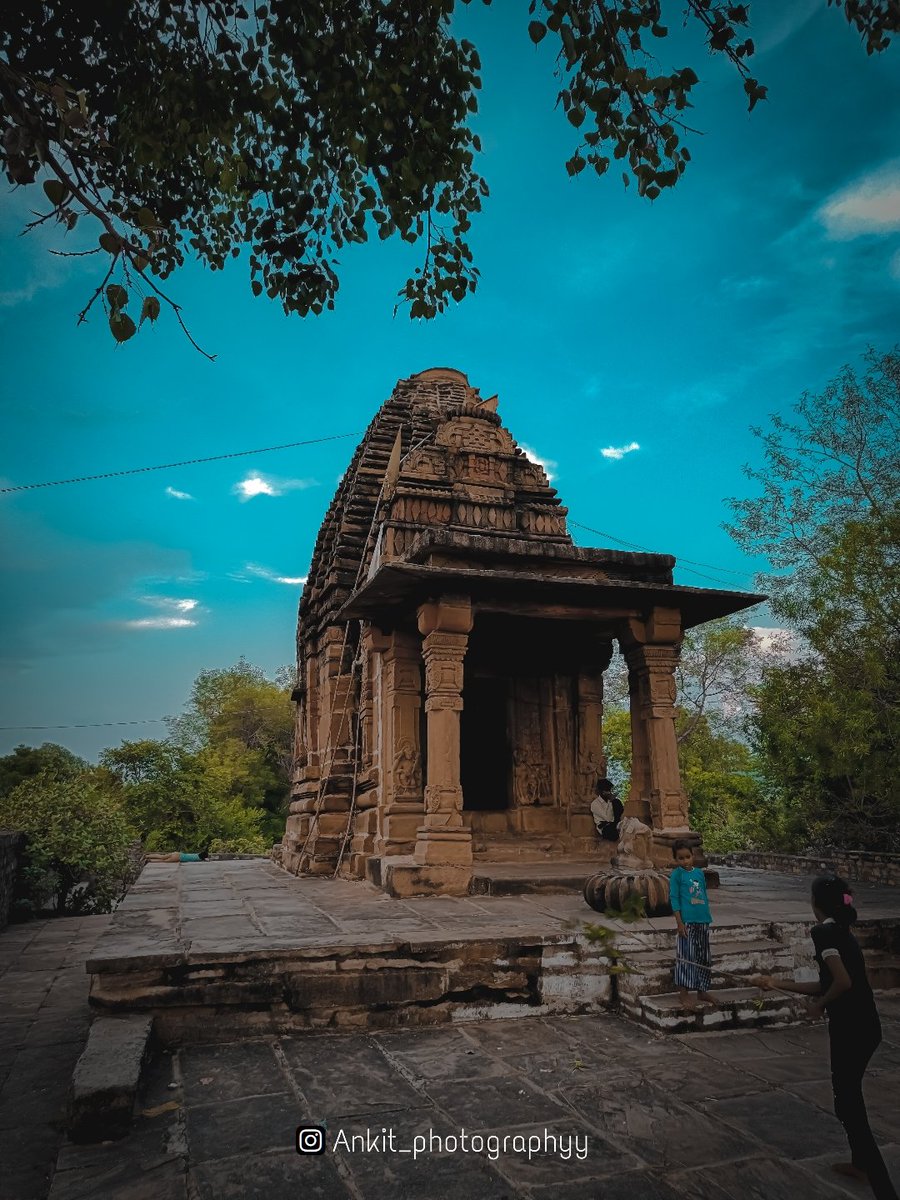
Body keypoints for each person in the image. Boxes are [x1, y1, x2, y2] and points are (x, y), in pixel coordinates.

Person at [755, 875, 898, 1200]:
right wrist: (774, 983)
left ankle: (883, 1189)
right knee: (849, 1096)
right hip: (866, 1027)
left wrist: (818, 1007)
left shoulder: (823, 932)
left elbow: (842, 982)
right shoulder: (839, 931)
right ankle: (860, 1164)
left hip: (852, 1029)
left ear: (815, 903)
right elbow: (827, 981)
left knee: (848, 1106)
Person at [669, 839, 715, 1009]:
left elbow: (702, 894)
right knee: (686, 957)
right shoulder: (676, 875)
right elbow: (674, 899)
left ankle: (702, 990)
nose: (685, 861)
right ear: (675, 859)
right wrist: (679, 923)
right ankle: (683, 993)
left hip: (703, 919)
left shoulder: (699, 874)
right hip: (687, 922)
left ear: (692, 856)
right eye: (680, 858)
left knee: (703, 956)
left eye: (687, 857)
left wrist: (706, 915)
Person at [144, 850, 209, 862]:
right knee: (163, 861)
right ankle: (150, 860)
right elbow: (205, 860)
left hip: (178, 853)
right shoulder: (198, 859)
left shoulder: (196, 854)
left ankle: (147, 856)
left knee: (162, 856)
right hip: (178, 858)